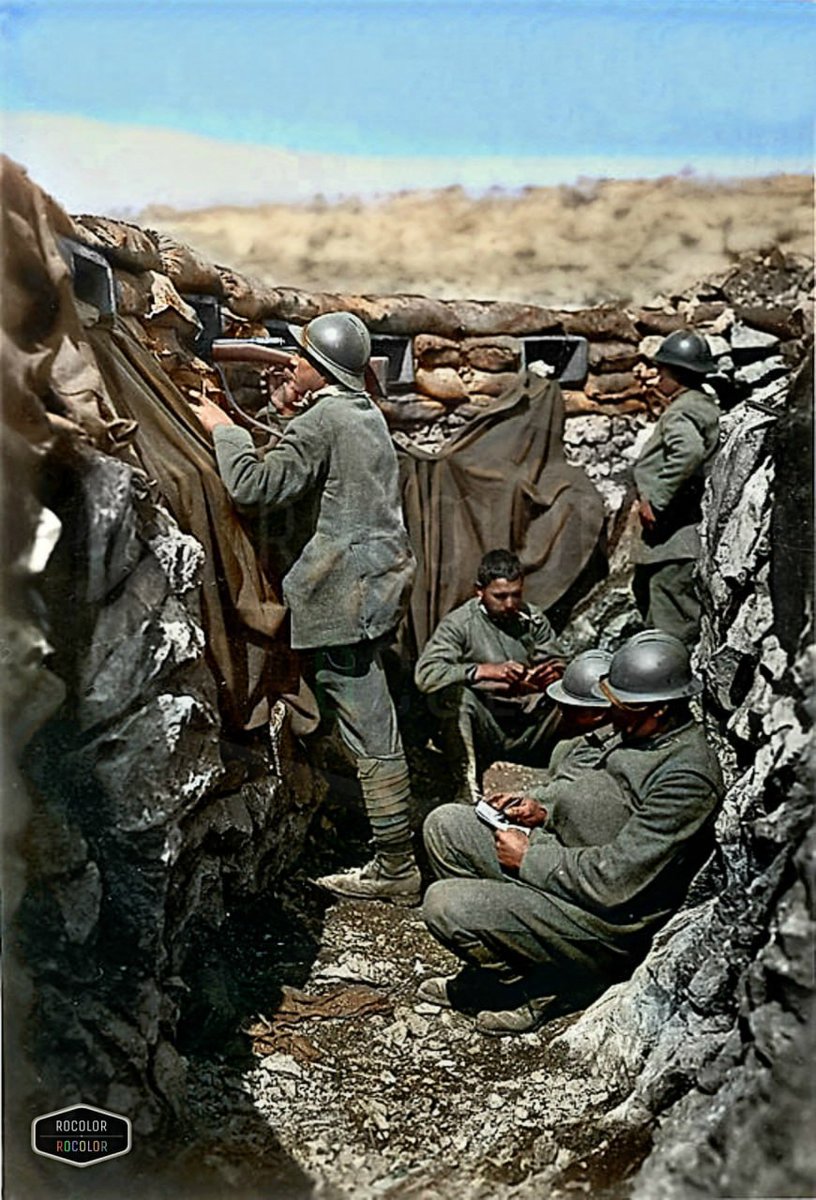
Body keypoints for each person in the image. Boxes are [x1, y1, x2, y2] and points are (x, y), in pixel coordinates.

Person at [191, 311, 421, 905]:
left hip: (342, 593)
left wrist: (223, 427)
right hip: (373, 584)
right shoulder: (361, 412)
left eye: (297, 359)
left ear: (319, 371)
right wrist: (282, 411)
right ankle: (389, 847)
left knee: (369, 724)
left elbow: (254, 487)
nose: (288, 364)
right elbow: (316, 469)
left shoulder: (324, 419)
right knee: (370, 714)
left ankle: (395, 865)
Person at [419, 631, 723, 1035]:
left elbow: (618, 879)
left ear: (661, 709)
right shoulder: (639, 729)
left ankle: (548, 983)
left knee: (444, 903)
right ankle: (513, 952)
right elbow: (587, 786)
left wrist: (529, 859)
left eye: (621, 706)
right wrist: (542, 807)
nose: (611, 714)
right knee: (445, 826)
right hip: (563, 862)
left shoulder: (686, 778)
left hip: (601, 919)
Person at [414, 549, 566, 804]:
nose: (509, 604)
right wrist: (481, 671)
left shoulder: (532, 618)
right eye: (500, 596)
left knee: (580, 694)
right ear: (479, 591)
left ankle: (572, 774)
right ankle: (467, 784)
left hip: (529, 725)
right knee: (455, 697)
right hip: (488, 728)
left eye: (516, 595)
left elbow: (559, 660)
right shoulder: (460, 624)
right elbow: (425, 674)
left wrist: (552, 674)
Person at [633, 330, 720, 646]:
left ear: (678, 375)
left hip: (673, 539)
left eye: (662, 373)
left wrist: (655, 499)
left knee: (667, 629)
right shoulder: (705, 406)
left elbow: (688, 451)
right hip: (686, 536)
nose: (657, 380)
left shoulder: (681, 411)